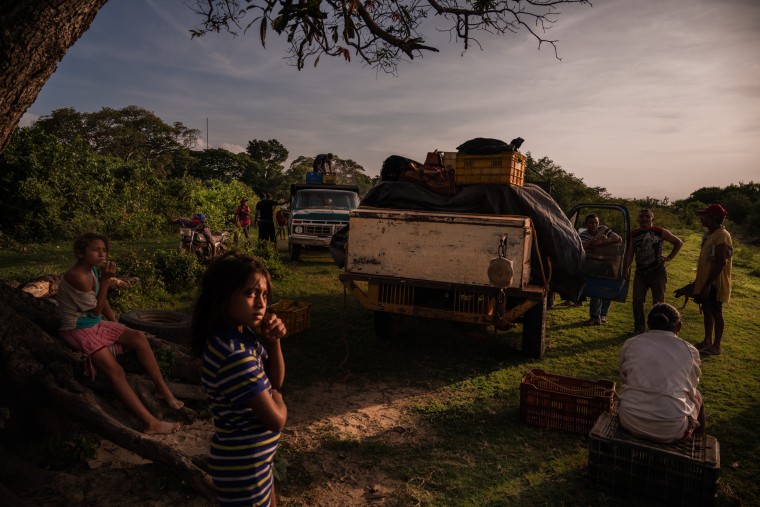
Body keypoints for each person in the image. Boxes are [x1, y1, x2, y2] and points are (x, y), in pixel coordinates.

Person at [56, 233, 183, 435]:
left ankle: (162, 389)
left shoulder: (94, 271)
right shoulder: (77, 276)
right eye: (96, 250)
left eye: (104, 250)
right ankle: (151, 423)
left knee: (138, 338)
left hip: (95, 324)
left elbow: (101, 300)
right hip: (78, 329)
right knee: (116, 372)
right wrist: (106, 280)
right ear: (80, 253)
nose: (101, 254)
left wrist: (116, 327)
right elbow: (96, 309)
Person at [190, 251, 287, 506]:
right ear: (222, 296)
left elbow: (274, 380)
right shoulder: (235, 356)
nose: (260, 303)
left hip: (254, 461)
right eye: (250, 293)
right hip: (245, 467)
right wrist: (277, 399)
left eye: (264, 295)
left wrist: (273, 342)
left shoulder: (240, 337)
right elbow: (276, 420)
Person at [617, 303, 703, 443]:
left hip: (629, 420)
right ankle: (699, 444)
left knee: (627, 389)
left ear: (648, 324)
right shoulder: (690, 351)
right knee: (698, 396)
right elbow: (692, 388)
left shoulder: (631, 343)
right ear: (679, 326)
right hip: (672, 430)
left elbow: (624, 376)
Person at [624, 209, 683, 335]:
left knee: (658, 302)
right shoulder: (634, 234)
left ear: (652, 219)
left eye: (647, 216)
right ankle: (639, 328)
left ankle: (658, 330)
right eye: (641, 216)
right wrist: (626, 268)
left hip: (657, 271)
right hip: (640, 272)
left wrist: (669, 257)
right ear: (638, 219)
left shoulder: (659, 231)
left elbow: (678, 242)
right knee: (637, 301)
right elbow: (630, 252)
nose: (644, 219)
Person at [692, 204, 733, 356]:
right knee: (707, 310)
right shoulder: (710, 234)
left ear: (714, 217)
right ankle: (707, 341)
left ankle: (716, 346)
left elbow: (721, 262)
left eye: (705, 215)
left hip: (715, 282)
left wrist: (708, 284)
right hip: (706, 281)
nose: (702, 218)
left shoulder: (722, 235)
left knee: (716, 311)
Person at [580, 213, 622, 325]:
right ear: (586, 224)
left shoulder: (604, 229)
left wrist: (602, 242)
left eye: (595, 222)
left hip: (608, 264)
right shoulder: (583, 234)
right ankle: (594, 316)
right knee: (596, 290)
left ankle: (603, 315)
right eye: (590, 223)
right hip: (593, 265)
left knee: (607, 289)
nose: (593, 225)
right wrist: (592, 242)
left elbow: (618, 238)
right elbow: (580, 245)